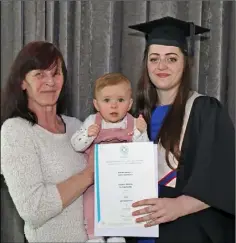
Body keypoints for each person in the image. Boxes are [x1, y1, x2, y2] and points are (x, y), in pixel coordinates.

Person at [127, 16, 235, 243]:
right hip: (138, 229)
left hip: (185, 231)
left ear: (186, 63)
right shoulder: (136, 115)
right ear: (146, 64)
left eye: (171, 58)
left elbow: (223, 177)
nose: (161, 66)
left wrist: (178, 206)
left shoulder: (205, 110)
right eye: (154, 58)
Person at [1, 41, 95, 242]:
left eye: (56, 73)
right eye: (39, 74)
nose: (50, 82)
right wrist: (88, 175)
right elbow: (34, 209)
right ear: (22, 82)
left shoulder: (78, 127)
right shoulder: (15, 131)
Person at [71, 72, 149, 243]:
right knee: (90, 203)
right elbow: (76, 145)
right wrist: (88, 135)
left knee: (121, 204)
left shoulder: (134, 122)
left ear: (129, 104)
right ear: (96, 104)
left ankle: (117, 234)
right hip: (95, 179)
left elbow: (144, 153)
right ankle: (94, 236)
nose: (113, 106)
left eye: (120, 100)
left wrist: (140, 132)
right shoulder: (93, 121)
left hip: (122, 180)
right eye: (107, 100)